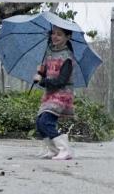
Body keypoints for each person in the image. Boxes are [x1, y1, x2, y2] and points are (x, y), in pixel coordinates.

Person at [34, 26, 75, 160]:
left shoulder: (67, 57)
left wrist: (43, 80)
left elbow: (61, 81)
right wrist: (40, 72)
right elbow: (46, 75)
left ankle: (65, 150)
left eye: (59, 34)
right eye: (53, 33)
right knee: (39, 122)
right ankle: (53, 150)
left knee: (46, 121)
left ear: (67, 37)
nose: (55, 37)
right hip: (50, 94)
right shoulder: (50, 53)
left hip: (62, 94)